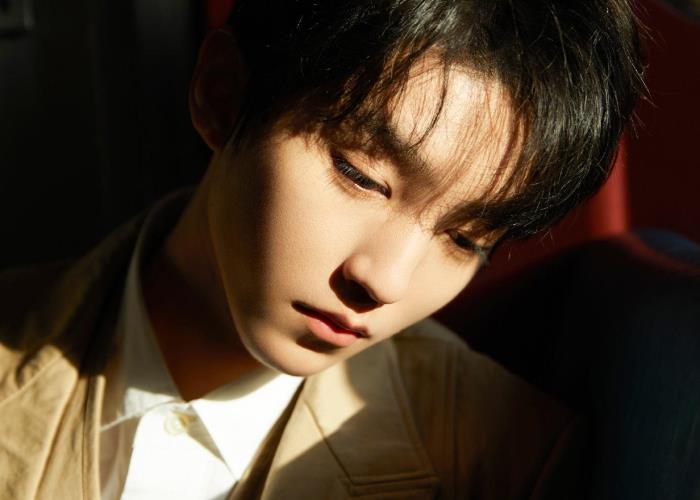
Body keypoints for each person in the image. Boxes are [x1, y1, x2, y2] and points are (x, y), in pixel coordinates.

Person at [0, 0, 644, 499]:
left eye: (464, 239)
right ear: (223, 96)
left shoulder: (507, 462)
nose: (387, 281)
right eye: (361, 176)